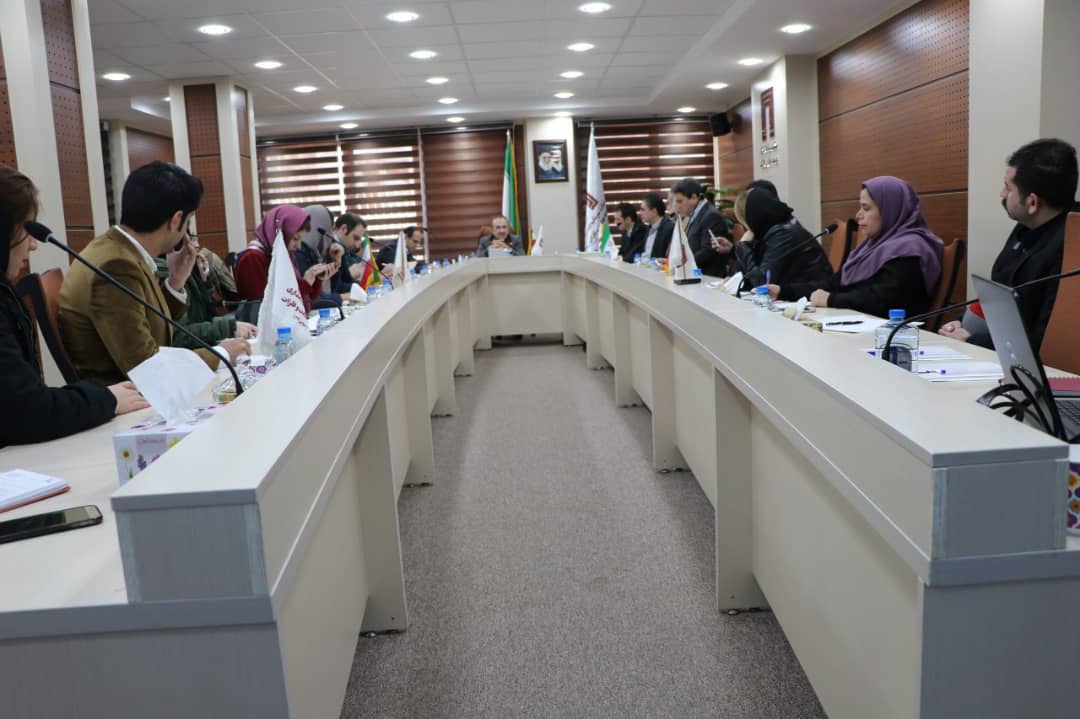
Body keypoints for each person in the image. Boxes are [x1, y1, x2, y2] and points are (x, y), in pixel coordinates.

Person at [59, 162, 249, 385]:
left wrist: (175, 282)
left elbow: (151, 325)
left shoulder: (117, 250)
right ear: (176, 220)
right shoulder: (117, 266)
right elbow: (147, 367)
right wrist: (222, 354)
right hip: (133, 397)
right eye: (188, 221)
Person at [0, 166, 148, 447]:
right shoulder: (116, 263)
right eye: (26, 229)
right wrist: (107, 398)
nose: (33, 245)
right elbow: (27, 412)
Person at [940, 139, 1079, 350]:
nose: (1002, 194)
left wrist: (971, 340)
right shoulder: (1027, 227)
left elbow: (1047, 341)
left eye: (1008, 187)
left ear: (1032, 203)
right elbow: (998, 296)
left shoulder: (1071, 246)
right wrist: (960, 323)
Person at [770, 176, 943, 318]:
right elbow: (833, 284)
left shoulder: (910, 249)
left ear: (890, 210)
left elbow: (883, 300)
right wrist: (783, 291)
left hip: (893, 338)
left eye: (866, 208)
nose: (858, 215)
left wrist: (831, 300)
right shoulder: (871, 246)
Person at [153, 232, 256, 348]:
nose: (197, 245)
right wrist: (230, 327)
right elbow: (179, 336)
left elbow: (204, 310)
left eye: (195, 238)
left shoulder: (189, 266)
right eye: (191, 240)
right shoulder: (165, 271)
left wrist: (204, 280)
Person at [734, 188, 833, 291]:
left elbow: (762, 283)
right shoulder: (781, 226)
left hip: (815, 296)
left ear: (752, 218)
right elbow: (755, 275)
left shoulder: (783, 234)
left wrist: (744, 247)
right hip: (800, 293)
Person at [235, 205, 327, 313]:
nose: (299, 246)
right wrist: (305, 284)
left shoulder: (282, 254)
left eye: (301, 240)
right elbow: (265, 308)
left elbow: (306, 302)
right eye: (295, 239)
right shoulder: (252, 258)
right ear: (280, 234)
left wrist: (315, 280)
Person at [671, 178, 731, 276]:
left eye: (680, 201)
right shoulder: (694, 214)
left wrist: (681, 266)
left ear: (694, 197)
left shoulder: (711, 216)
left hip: (708, 277)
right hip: (694, 274)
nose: (677, 206)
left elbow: (707, 252)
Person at [293, 204, 346, 303]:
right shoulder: (299, 253)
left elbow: (333, 288)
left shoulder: (319, 252)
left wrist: (336, 263)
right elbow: (309, 298)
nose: (331, 236)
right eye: (330, 230)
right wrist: (343, 297)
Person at [626, 192, 674, 262]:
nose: (640, 213)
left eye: (643, 210)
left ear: (654, 211)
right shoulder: (649, 228)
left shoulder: (669, 228)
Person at [331, 212, 369, 293]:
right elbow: (336, 288)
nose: (357, 245)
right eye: (355, 238)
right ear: (344, 229)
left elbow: (348, 281)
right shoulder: (330, 248)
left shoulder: (345, 248)